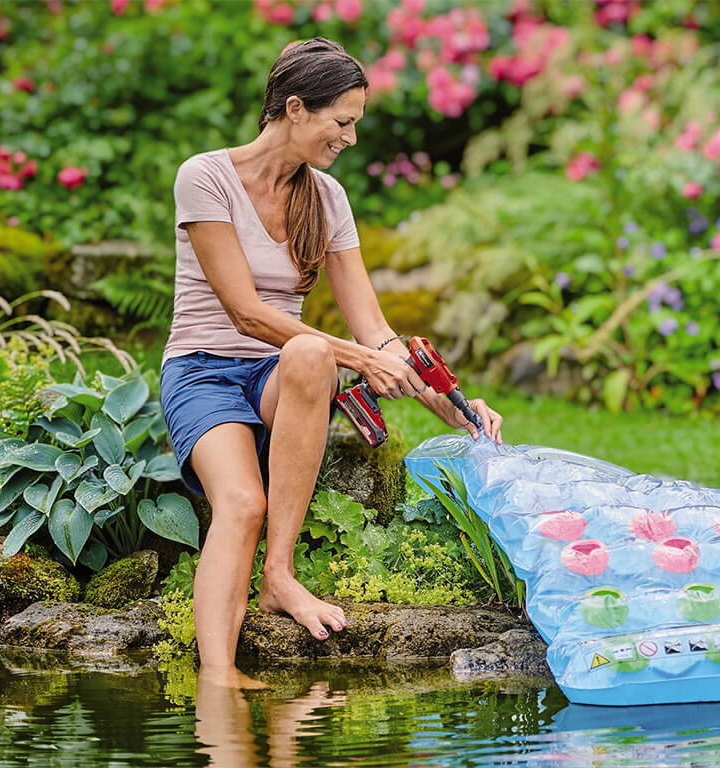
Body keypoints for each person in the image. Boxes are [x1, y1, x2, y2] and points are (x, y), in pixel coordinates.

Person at [160, 37, 503, 686]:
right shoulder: (205, 177)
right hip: (204, 370)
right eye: (341, 122)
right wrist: (353, 357)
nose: (349, 138)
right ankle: (219, 681)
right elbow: (246, 313)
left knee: (313, 354)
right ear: (294, 109)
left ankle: (279, 575)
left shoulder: (328, 199)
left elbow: (376, 333)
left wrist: (453, 404)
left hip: (279, 377)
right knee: (239, 503)